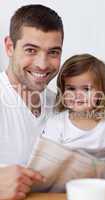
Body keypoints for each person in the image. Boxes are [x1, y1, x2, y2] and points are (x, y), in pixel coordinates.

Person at [0, 4, 63, 199]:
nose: (42, 65)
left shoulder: (60, 105)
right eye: (31, 50)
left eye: (53, 52)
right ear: (10, 47)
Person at [43, 54, 105, 152]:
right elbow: (48, 159)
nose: (77, 95)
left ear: (101, 93)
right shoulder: (56, 124)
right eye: (71, 88)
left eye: (86, 89)